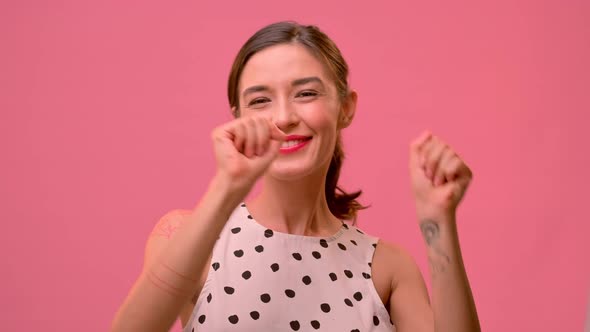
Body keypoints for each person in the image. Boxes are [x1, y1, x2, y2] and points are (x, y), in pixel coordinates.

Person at [112, 21, 481, 332]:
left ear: (346, 108)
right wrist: (226, 188)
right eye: (260, 100)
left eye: (306, 93)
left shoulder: (388, 267)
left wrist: (439, 223)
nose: (284, 116)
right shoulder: (187, 235)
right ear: (236, 117)